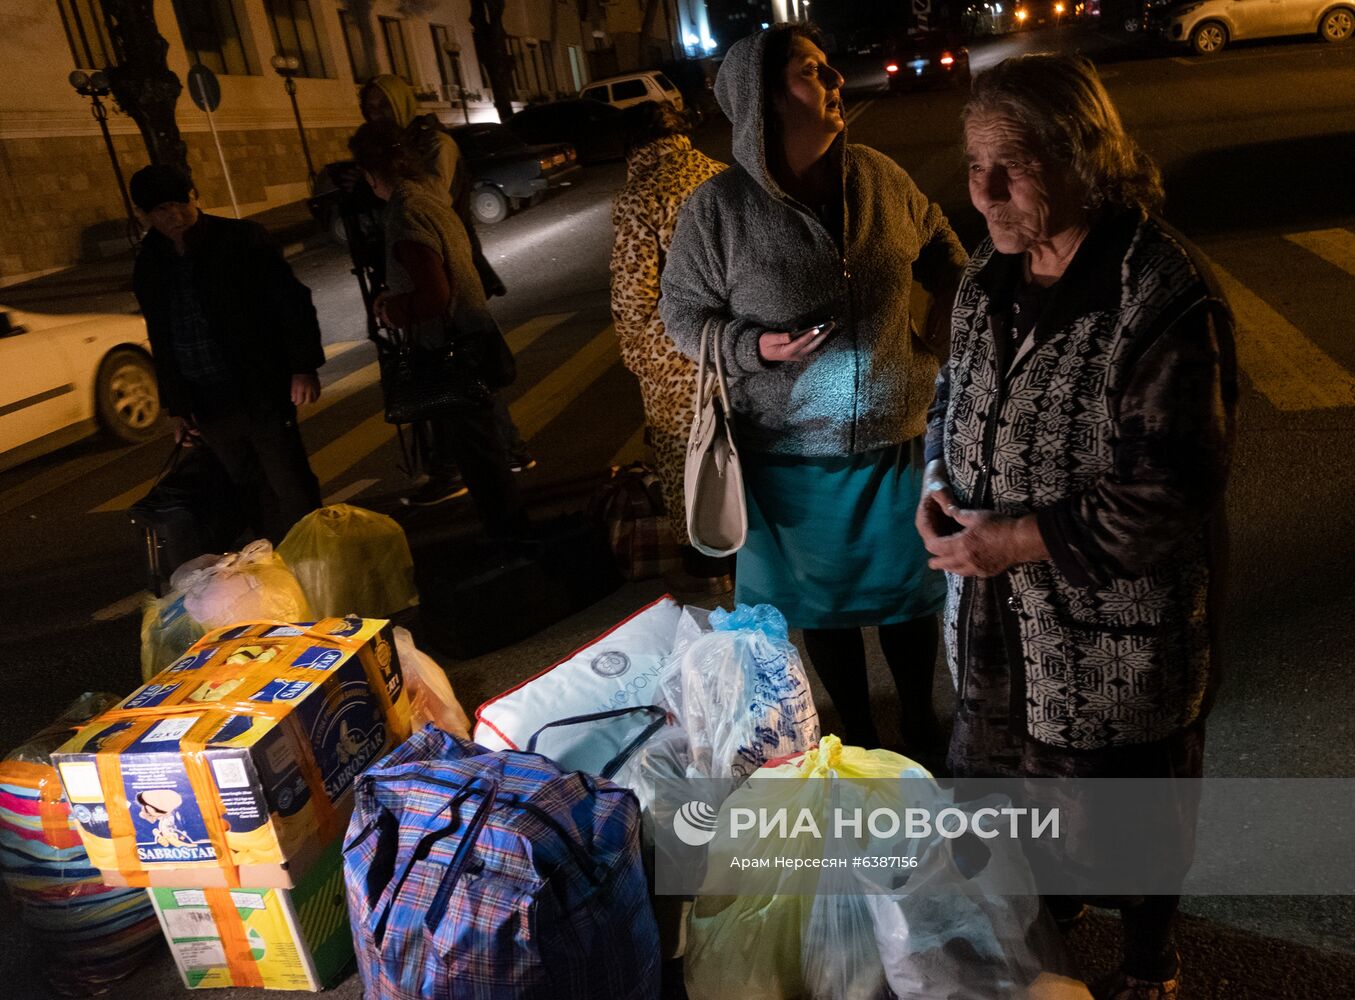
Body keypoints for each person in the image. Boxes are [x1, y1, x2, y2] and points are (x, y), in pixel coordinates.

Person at [917, 53, 1237, 1000]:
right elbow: (950, 395)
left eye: (1009, 165)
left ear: (1083, 156)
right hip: (992, 627)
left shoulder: (1162, 295)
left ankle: (1151, 962)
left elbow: (1168, 495)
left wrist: (1008, 541)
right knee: (1010, 796)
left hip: (1110, 639)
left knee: (1127, 812)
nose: (982, 192)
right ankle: (1055, 908)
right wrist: (934, 479)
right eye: (973, 166)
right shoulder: (987, 278)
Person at [660, 24, 968, 758]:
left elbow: (944, 250)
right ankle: (856, 732)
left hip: (895, 441)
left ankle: (921, 724)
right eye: (810, 71)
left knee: (907, 598)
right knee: (823, 611)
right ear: (760, 101)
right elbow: (679, 313)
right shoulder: (717, 211)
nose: (833, 80)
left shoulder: (879, 177)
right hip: (790, 459)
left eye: (829, 66)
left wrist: (941, 329)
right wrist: (752, 347)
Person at [130, 164, 323, 543]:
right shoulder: (150, 261)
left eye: (178, 204)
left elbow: (291, 303)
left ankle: (321, 558)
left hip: (259, 387)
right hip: (207, 400)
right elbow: (163, 336)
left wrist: (302, 367)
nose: (174, 216)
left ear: (194, 197)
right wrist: (179, 408)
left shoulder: (240, 239)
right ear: (145, 216)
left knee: (289, 482)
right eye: (161, 210)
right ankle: (278, 563)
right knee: (249, 488)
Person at [348, 122, 525, 535]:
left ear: (371, 174)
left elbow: (433, 294)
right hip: (473, 337)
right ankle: (514, 535)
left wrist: (392, 311)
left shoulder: (405, 212)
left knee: (480, 460)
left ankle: (512, 541)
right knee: (485, 454)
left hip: (451, 350)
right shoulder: (428, 198)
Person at [359, 74, 533, 477]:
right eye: (369, 108)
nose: (375, 115)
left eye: (382, 106)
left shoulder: (432, 146)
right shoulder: (399, 155)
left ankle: (501, 454)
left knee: (465, 368)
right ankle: (472, 458)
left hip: (449, 264)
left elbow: (431, 202)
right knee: (456, 373)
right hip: (432, 269)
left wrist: (398, 309)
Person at [609, 100, 730, 592]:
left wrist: (642, 361)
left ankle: (712, 572)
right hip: (740, 346)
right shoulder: (723, 178)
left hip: (679, 358)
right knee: (740, 456)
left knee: (692, 465)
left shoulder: (640, 197)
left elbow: (632, 296)